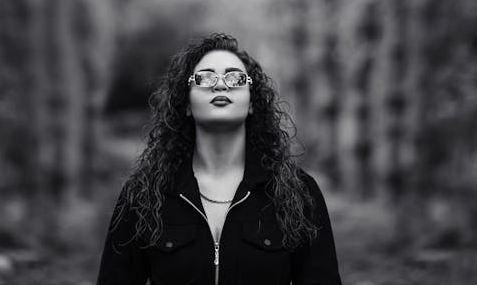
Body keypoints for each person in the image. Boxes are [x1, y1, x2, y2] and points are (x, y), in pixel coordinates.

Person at [97, 32, 342, 285]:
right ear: (187, 104)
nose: (221, 84)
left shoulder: (299, 193)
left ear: (251, 103)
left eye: (235, 78)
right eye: (206, 78)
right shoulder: (143, 195)